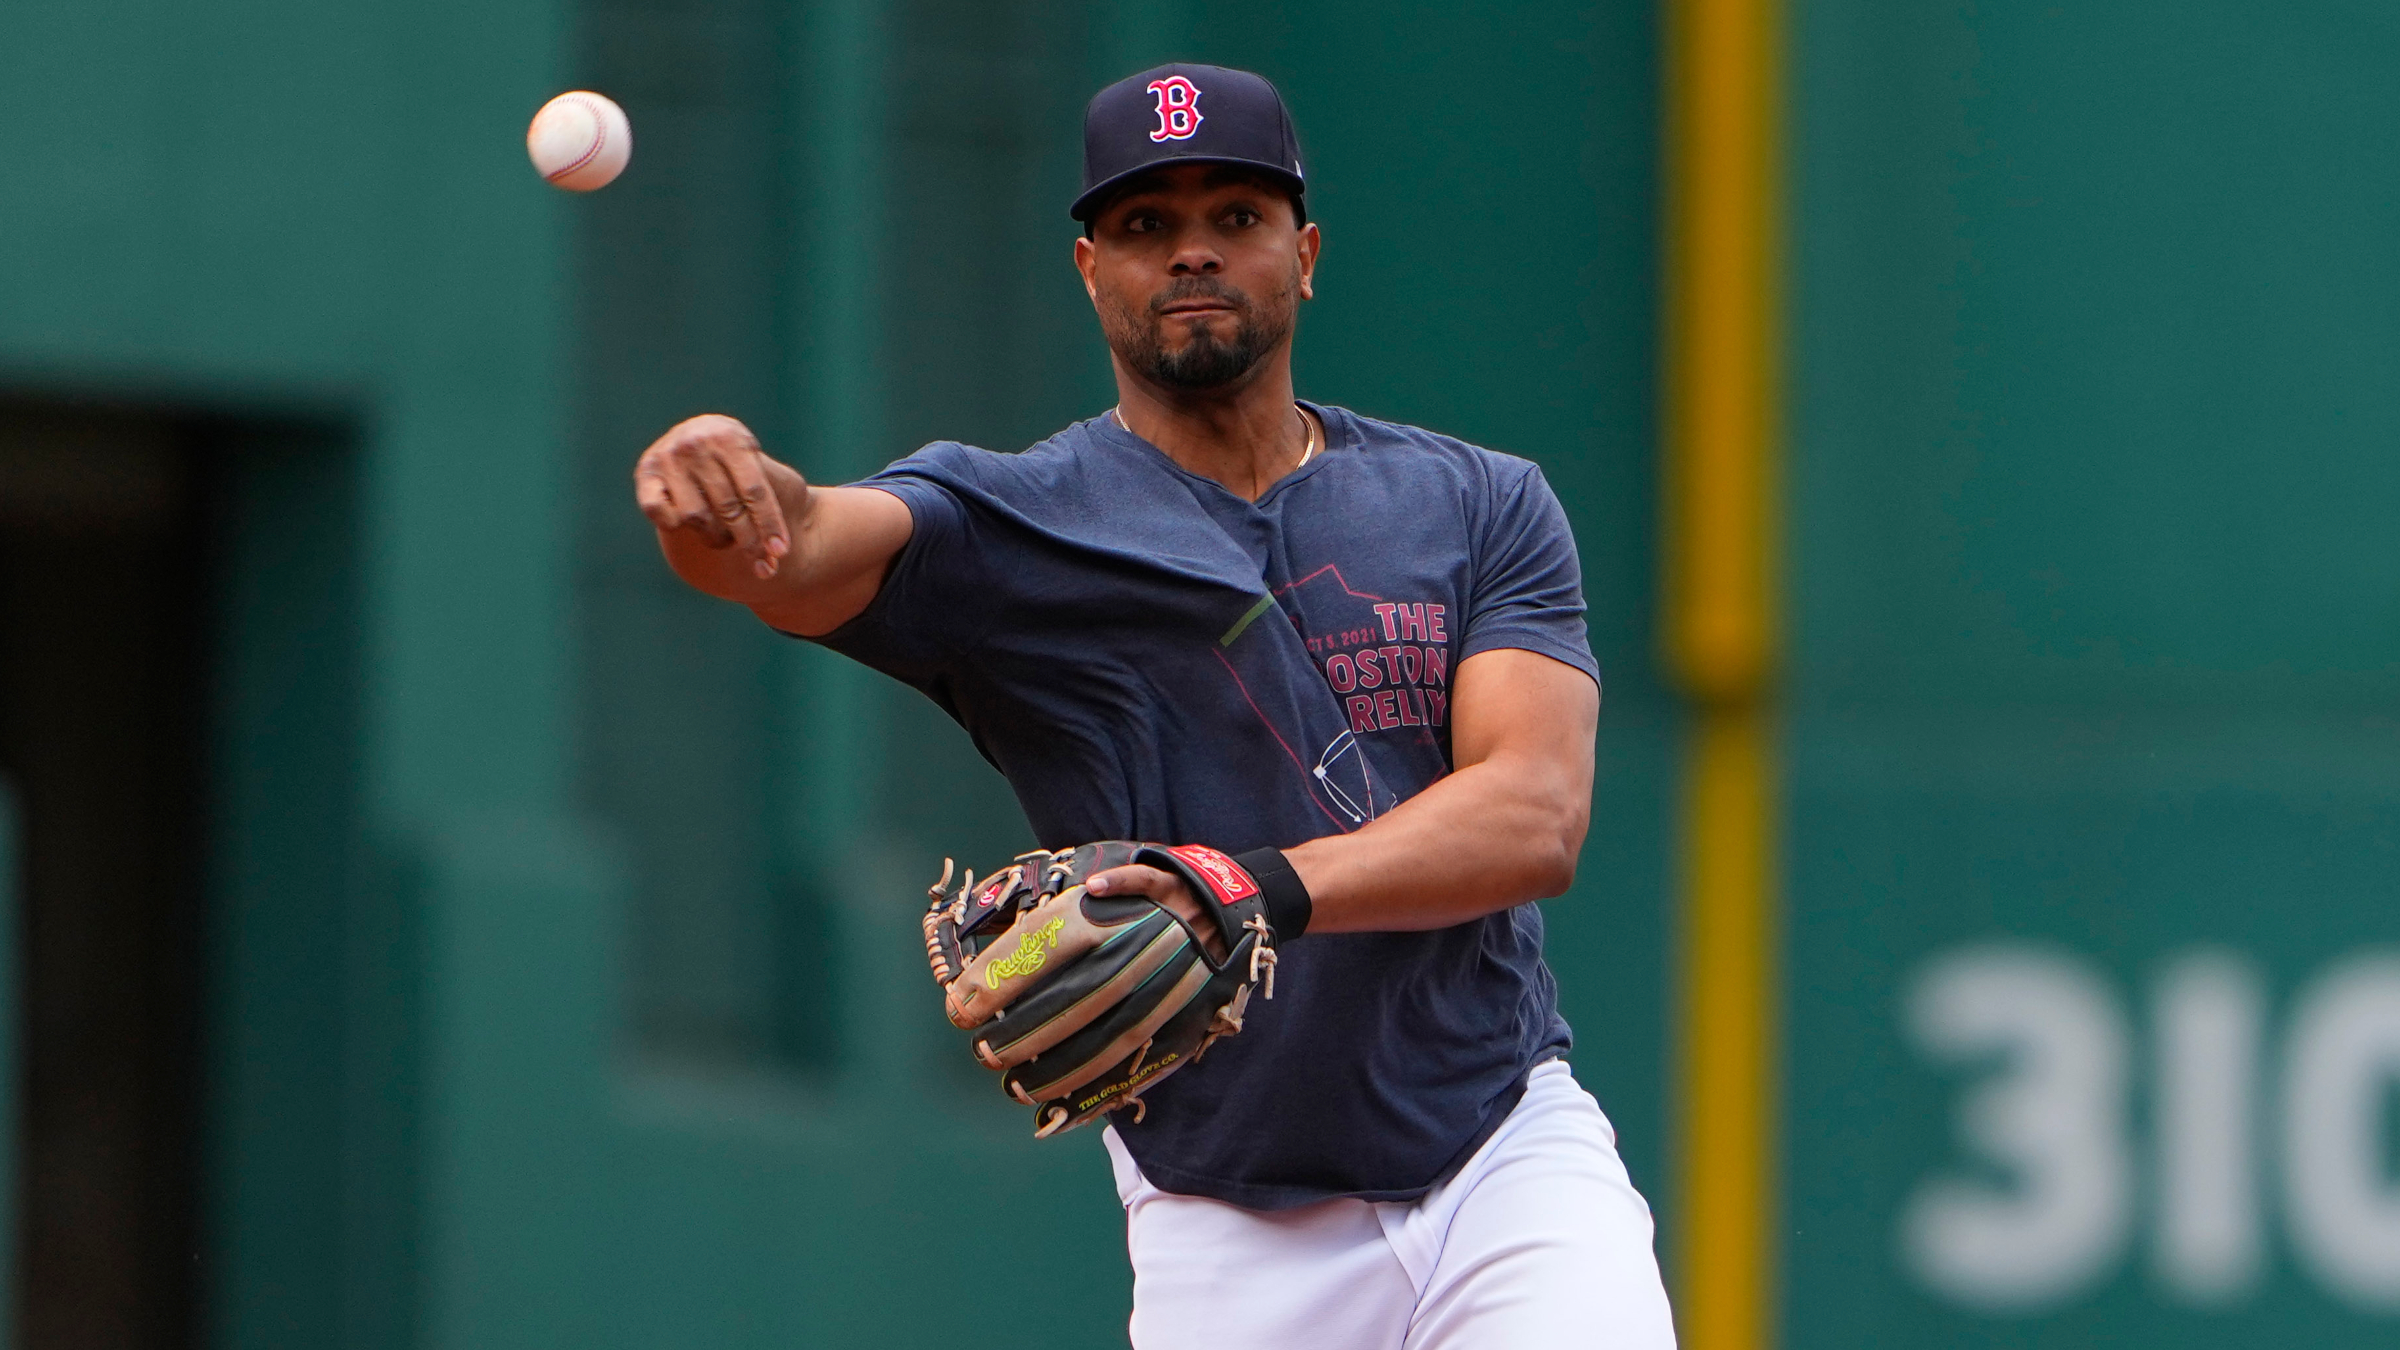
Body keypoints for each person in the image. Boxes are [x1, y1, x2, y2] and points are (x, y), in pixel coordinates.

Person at [632, 62, 1675, 1350]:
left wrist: (1238, 888)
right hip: (1223, 1213)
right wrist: (716, 496)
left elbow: (1532, 817)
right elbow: (788, 550)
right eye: (1144, 226)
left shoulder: (1477, 504)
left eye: (1234, 218)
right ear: (1087, 268)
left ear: (1306, 254)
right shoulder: (1012, 521)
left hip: (1501, 1152)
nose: (1191, 252)